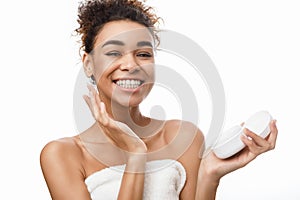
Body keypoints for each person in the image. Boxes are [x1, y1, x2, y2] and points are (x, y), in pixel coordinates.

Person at [40, 0, 278, 199]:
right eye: (113, 53)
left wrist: (210, 174)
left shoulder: (182, 136)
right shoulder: (62, 155)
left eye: (143, 54)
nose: (131, 65)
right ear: (88, 64)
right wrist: (135, 155)